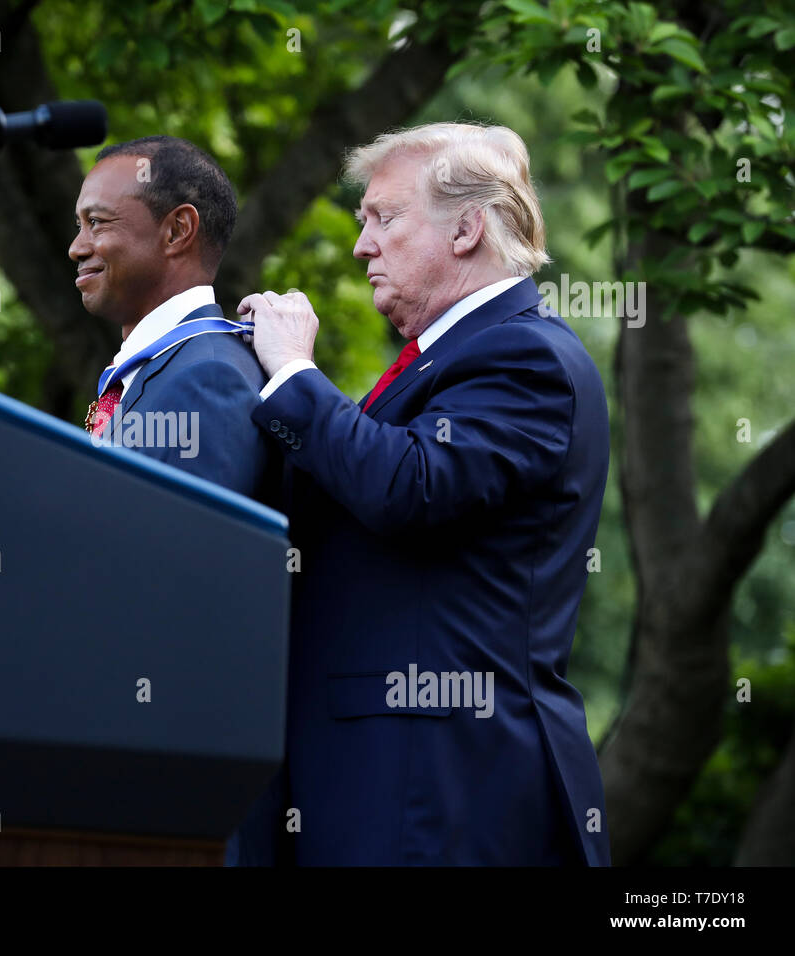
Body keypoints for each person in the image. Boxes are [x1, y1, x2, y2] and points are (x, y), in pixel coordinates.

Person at [238, 122, 611, 865]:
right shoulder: (451, 356)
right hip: (394, 781)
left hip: (437, 789)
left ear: (468, 228)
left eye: (383, 217)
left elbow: (407, 487)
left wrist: (291, 373)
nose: (361, 245)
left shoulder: (525, 353)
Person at [69, 135, 284, 864]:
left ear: (177, 230)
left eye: (98, 223)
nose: (76, 246)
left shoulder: (207, 374)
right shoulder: (157, 373)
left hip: (175, 798)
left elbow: (183, 603)